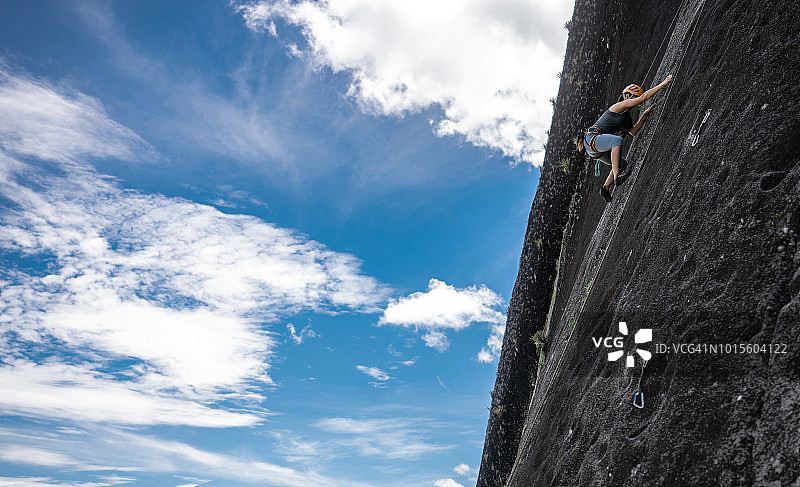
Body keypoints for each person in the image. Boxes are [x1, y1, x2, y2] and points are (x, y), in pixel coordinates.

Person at [578, 75, 673, 202]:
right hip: (592, 138)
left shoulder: (626, 119)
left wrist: (644, 115)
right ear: (627, 96)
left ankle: (605, 188)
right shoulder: (619, 106)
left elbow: (633, 131)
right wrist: (664, 83)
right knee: (616, 141)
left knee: (622, 164)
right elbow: (643, 98)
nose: (636, 99)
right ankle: (617, 177)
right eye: (634, 96)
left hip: (596, 149)